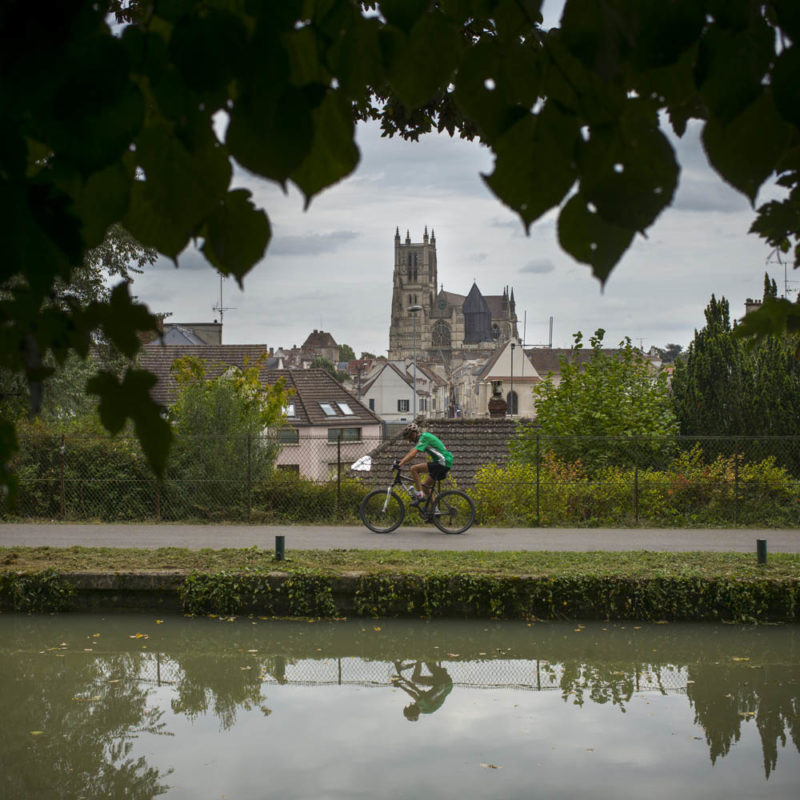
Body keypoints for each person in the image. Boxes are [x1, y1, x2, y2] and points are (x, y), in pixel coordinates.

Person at [396, 423, 453, 505]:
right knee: (425, 487)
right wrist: (400, 461)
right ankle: (435, 511)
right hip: (443, 462)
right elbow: (411, 451)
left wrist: (400, 464)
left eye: (410, 437)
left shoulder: (424, 437)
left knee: (414, 469)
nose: (410, 440)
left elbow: (413, 454)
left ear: (414, 433)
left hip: (443, 462)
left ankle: (419, 494)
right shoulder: (423, 437)